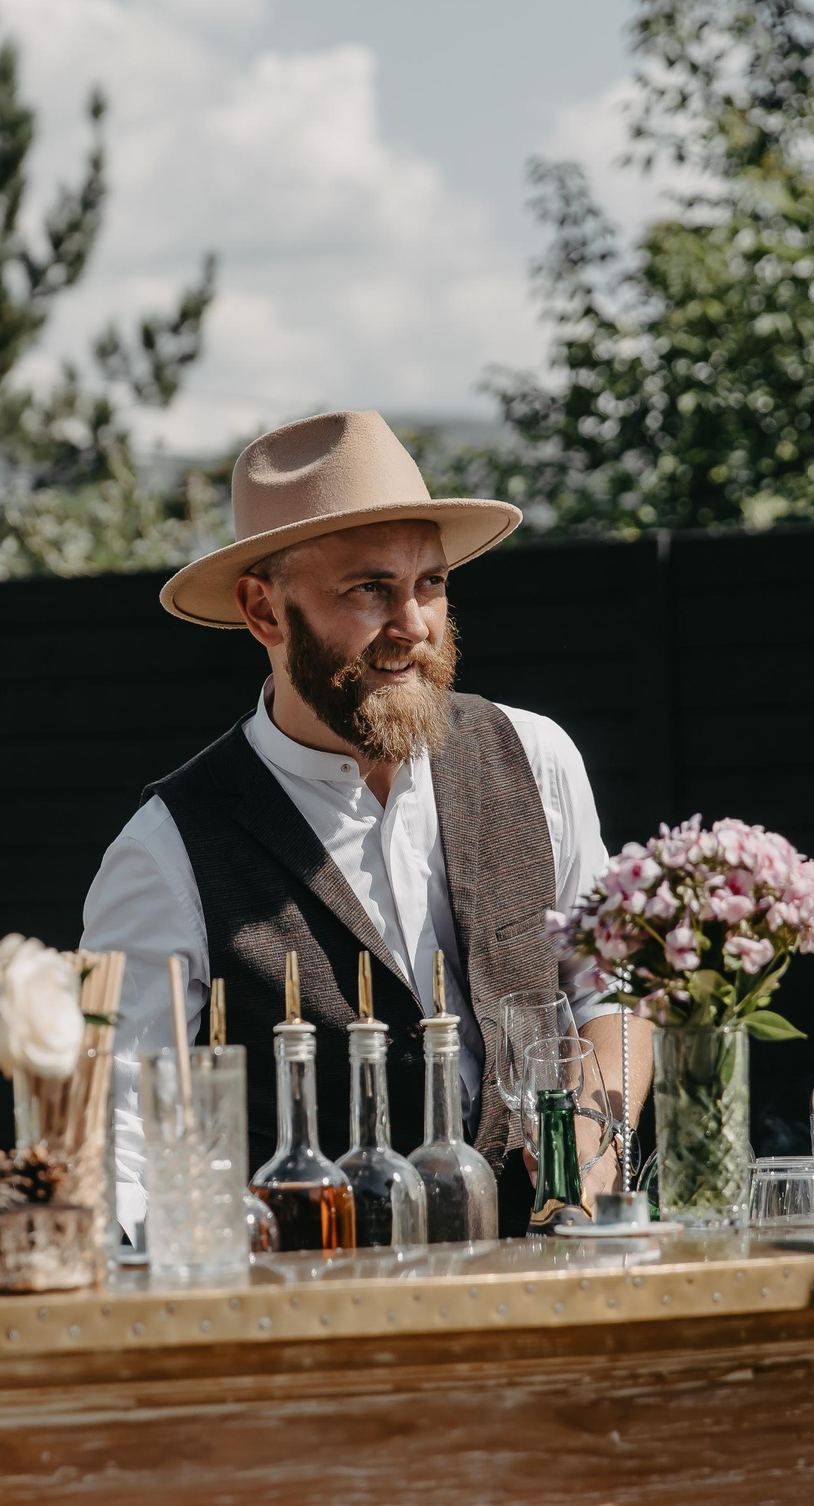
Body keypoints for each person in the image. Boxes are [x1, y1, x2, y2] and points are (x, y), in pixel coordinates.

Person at [82, 410, 642, 1234]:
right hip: (318, 1319)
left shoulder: (535, 756)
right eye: (369, 589)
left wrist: (588, 1148)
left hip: (549, 1281)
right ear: (263, 612)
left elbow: (611, 993)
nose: (413, 626)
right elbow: (120, 1148)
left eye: (431, 583)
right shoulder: (164, 852)